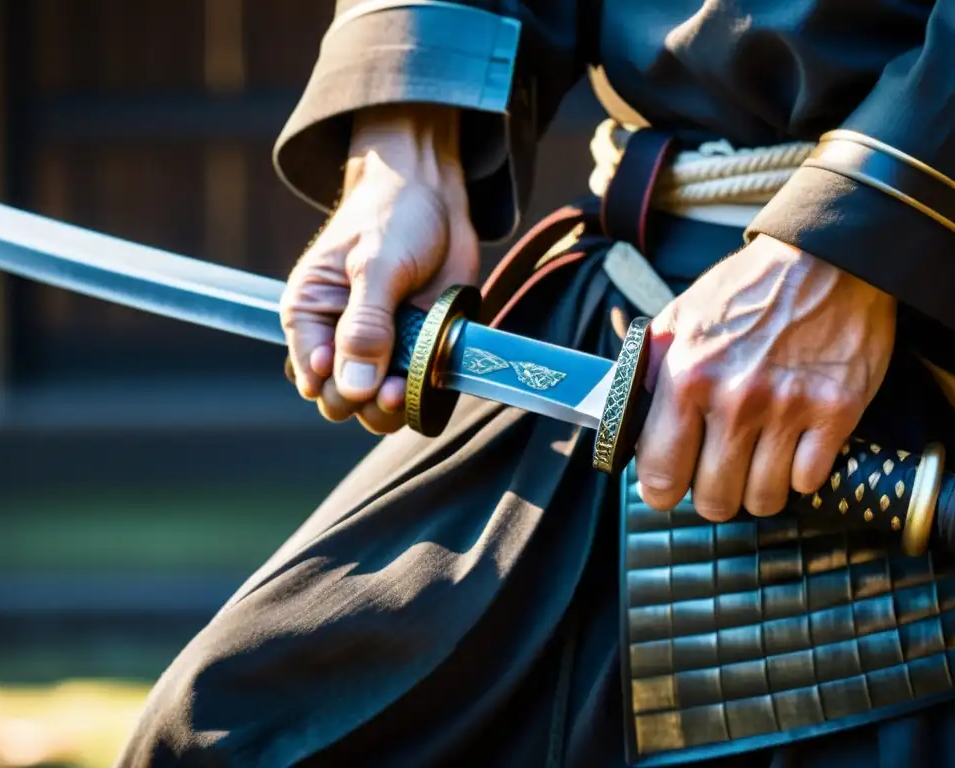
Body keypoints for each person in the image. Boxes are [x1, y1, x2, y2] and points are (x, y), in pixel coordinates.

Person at [115, 1, 955, 766]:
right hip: (626, 325)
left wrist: (863, 221)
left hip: (905, 330)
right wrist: (404, 143)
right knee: (224, 734)